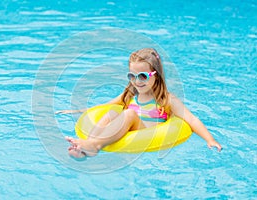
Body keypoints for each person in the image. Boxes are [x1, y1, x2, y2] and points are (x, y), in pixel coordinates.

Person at [58, 48, 222, 159]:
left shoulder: (166, 99)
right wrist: (78, 111)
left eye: (142, 76)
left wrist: (210, 139)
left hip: (148, 131)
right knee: (113, 110)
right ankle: (87, 147)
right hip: (127, 127)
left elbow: (191, 119)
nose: (137, 81)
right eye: (132, 76)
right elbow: (104, 107)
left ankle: (94, 145)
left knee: (129, 113)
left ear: (155, 75)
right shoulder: (129, 93)